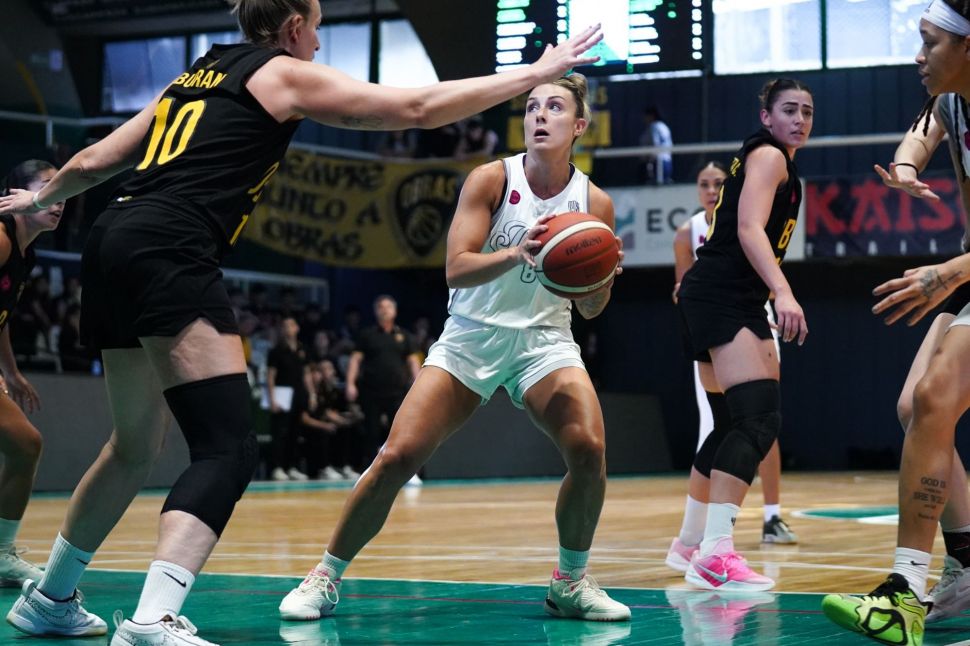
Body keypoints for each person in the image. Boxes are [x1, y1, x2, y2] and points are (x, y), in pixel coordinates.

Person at [0, 0, 603, 642]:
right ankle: (152, 619)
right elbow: (417, 107)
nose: (318, 41)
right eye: (316, 27)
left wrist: (39, 199)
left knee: (132, 446)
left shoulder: (195, 74)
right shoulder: (282, 72)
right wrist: (535, 72)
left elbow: (95, 162)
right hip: (170, 245)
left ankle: (50, 599)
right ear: (293, 28)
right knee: (227, 449)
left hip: (111, 239)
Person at [278, 72, 630, 623]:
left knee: (588, 450)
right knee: (398, 456)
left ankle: (569, 582)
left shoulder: (595, 203)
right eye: (532, 106)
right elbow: (456, 269)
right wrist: (517, 253)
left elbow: (590, 310)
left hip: (544, 341)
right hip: (471, 334)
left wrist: (601, 281)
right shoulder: (491, 178)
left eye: (555, 108)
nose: (540, 115)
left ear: (579, 126)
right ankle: (324, 576)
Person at [822, 3, 970, 643]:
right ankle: (965, 560)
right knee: (918, 406)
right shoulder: (954, 102)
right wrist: (907, 168)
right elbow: (922, 132)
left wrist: (948, 273)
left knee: (934, 398)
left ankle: (903, 593)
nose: (918, 55)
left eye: (929, 42)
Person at [676, 78, 812, 592]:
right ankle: (715, 554)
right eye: (789, 110)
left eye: (807, 112)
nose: (800, 119)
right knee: (758, 420)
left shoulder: (773, 160)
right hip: (725, 295)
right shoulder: (770, 156)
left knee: (729, 423)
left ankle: (689, 544)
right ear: (766, 117)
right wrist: (783, 291)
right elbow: (750, 228)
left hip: (718, 292)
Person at [665, 161, 798, 574]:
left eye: (717, 183)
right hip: (718, 316)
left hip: (748, 313)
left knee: (751, 424)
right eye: (703, 184)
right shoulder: (689, 231)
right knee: (742, 422)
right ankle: (707, 546)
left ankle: (767, 516)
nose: (711, 190)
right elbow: (682, 286)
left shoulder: (751, 210)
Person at [0, 160, 62, 587]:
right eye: (46, 188)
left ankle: (1, 554)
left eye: (61, 191)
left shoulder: (25, 253)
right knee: (25, 444)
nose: (58, 200)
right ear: (14, 197)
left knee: (25, 445)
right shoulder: (2, 239)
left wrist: (12, 372)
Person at [345, 295, 420, 481]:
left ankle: (405, 472)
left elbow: (413, 362)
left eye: (388, 307)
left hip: (398, 392)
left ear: (395, 311)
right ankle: (370, 474)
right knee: (371, 432)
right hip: (371, 391)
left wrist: (418, 385)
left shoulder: (404, 336)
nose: (384, 310)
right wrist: (350, 383)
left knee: (400, 432)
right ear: (375, 311)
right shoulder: (367, 335)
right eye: (380, 307)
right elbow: (355, 360)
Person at [266, 316, 313, 481]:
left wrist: (312, 394)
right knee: (280, 432)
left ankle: (291, 466)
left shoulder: (302, 349)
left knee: (295, 432)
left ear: (297, 328)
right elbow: (270, 376)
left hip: (298, 395)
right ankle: (277, 467)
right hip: (282, 397)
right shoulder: (276, 351)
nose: (288, 328)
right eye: (285, 326)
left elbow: (307, 374)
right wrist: (272, 399)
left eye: (291, 325)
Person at [640, 106, 673, 184]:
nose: (644, 119)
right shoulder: (664, 126)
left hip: (658, 162)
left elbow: (655, 144)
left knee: (657, 185)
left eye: (646, 116)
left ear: (651, 116)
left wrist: (648, 160)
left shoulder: (654, 126)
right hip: (667, 160)